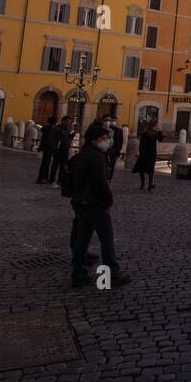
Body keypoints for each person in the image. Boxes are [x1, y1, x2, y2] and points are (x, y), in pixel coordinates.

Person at [69, 122, 129, 289]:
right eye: (104, 138)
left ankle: (78, 274)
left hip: (79, 202)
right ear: (95, 140)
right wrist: (109, 200)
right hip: (94, 203)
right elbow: (99, 182)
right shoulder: (96, 157)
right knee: (107, 239)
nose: (106, 141)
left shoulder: (81, 155)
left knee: (82, 239)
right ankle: (112, 276)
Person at [133, 125, 162, 190]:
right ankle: (143, 183)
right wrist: (141, 153)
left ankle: (150, 184)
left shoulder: (155, 135)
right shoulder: (144, 135)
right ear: (149, 129)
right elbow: (141, 144)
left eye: (155, 130)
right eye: (153, 130)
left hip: (152, 154)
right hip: (144, 154)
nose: (154, 131)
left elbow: (160, 139)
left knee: (151, 170)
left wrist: (159, 131)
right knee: (141, 170)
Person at [36, 116, 62, 184]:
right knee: (46, 163)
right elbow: (50, 139)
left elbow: (43, 139)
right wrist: (54, 148)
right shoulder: (52, 129)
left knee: (45, 163)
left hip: (45, 148)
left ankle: (42, 177)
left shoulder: (46, 128)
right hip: (49, 148)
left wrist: (40, 147)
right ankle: (43, 178)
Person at [52, 115, 75, 186]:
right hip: (59, 149)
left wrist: (72, 135)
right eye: (67, 122)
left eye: (69, 122)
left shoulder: (67, 129)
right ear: (63, 121)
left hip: (65, 149)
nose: (68, 123)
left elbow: (68, 138)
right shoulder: (57, 128)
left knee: (63, 166)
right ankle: (52, 180)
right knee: (55, 165)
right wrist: (55, 148)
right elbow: (54, 139)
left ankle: (60, 180)